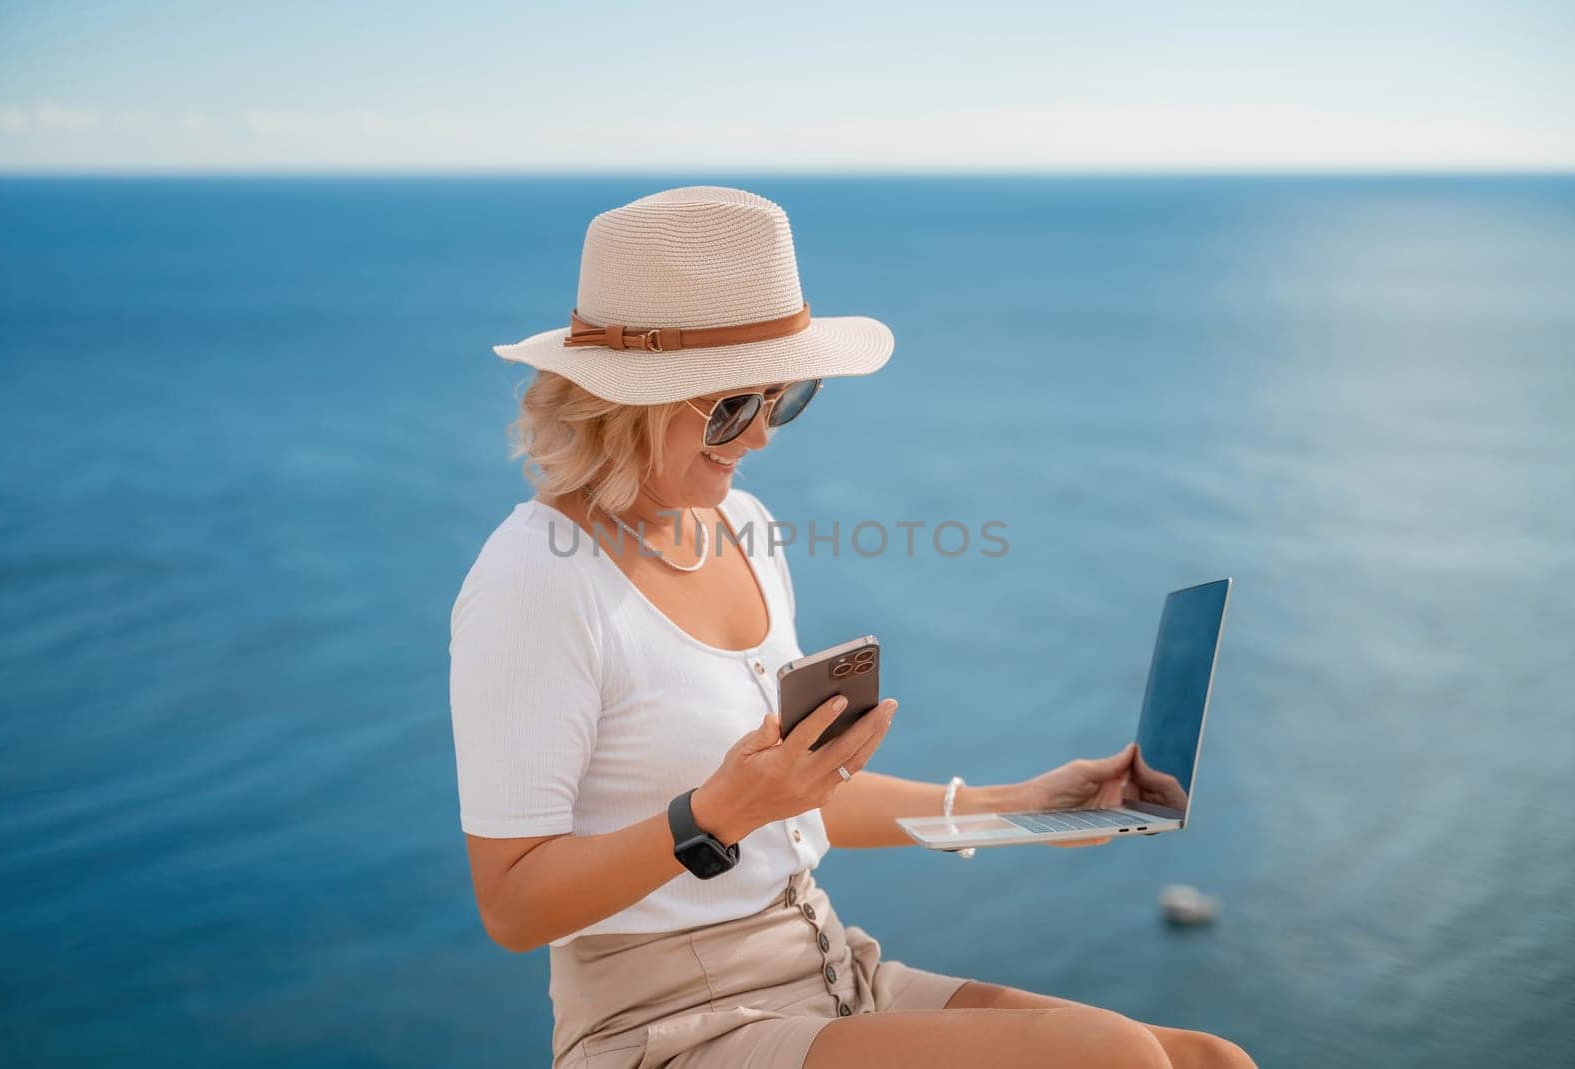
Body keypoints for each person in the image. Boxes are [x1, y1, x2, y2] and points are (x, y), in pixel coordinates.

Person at [449, 186, 1256, 1068]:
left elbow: (798, 796)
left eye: (783, 398)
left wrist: (1016, 807)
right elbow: (513, 905)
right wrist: (716, 812)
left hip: (826, 965)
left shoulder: (741, 526)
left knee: (1211, 1058)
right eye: (730, 408)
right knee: (1108, 1056)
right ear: (619, 402)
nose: (760, 438)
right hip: (663, 1024)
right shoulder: (536, 579)